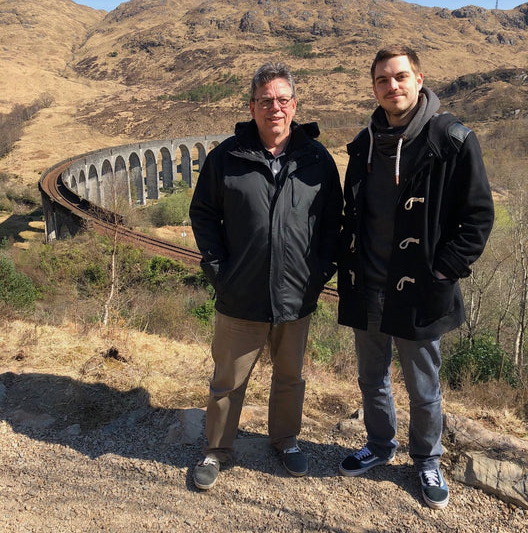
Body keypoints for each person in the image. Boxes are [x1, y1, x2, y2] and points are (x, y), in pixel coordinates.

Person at [337, 46, 494, 509]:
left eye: (401, 77)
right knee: (372, 379)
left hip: (422, 290)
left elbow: (478, 216)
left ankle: (427, 458)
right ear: (374, 88)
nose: (393, 86)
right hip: (368, 285)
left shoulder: (453, 139)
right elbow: (352, 211)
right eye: (383, 80)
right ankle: (381, 445)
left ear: (419, 79)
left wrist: (444, 269)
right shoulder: (364, 142)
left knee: (424, 387)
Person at [189, 61, 343, 490]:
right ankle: (217, 450)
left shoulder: (317, 159)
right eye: (264, 100)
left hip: (297, 295)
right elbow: (203, 215)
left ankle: (285, 440)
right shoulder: (227, 157)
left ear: (294, 105)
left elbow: (334, 222)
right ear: (251, 106)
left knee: (290, 376)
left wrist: (320, 273)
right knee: (227, 381)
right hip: (240, 294)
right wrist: (220, 270)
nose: (273, 108)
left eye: (281, 100)